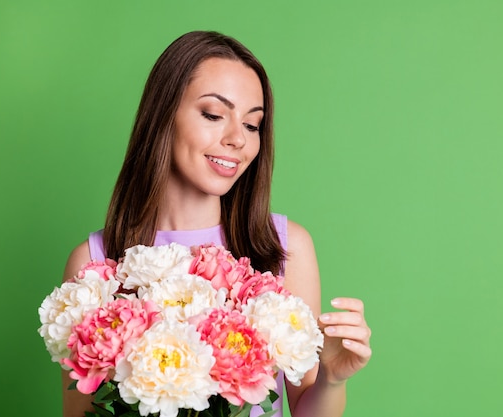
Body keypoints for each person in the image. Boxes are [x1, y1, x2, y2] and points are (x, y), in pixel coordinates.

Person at [61, 31, 371, 417]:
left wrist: (331, 379)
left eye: (252, 125)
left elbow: (306, 406)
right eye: (213, 114)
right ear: (163, 116)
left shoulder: (286, 247)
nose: (237, 139)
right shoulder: (93, 265)